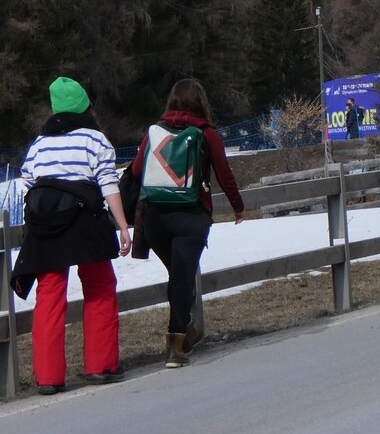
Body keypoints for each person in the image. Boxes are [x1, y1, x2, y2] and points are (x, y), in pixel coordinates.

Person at [10, 77, 131, 395]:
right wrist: (122, 226)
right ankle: (101, 366)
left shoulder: (38, 143)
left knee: (49, 294)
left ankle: (48, 377)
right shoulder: (96, 140)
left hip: (46, 227)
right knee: (100, 286)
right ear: (84, 105)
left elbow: (28, 182)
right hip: (86, 223)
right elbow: (108, 184)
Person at [129, 78, 244, 369]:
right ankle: (176, 343)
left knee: (178, 277)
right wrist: (238, 207)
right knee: (182, 279)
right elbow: (224, 174)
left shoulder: (154, 133)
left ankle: (184, 332)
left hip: (155, 219)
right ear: (201, 102)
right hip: (190, 216)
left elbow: (137, 170)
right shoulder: (207, 134)